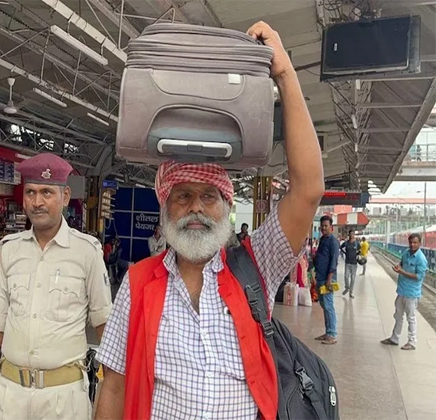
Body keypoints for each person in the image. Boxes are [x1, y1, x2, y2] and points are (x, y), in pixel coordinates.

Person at [94, 22, 324, 420]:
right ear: (165, 208)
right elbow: (114, 384)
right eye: (182, 196)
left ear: (226, 207)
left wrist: (284, 74)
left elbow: (307, 190)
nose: (196, 208)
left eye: (208, 196)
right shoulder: (137, 282)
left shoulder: (256, 268)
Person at [0, 153, 112, 420]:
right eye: (31, 192)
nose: (37, 202)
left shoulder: (86, 253)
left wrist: (108, 396)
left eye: (47, 192)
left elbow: (105, 327)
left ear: (66, 196)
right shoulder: (10, 252)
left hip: (64, 399)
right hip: (11, 395)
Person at [381, 233, 427, 350]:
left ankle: (412, 342)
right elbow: (401, 263)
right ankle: (394, 338)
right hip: (401, 290)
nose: (412, 245)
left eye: (415, 242)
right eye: (411, 242)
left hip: (411, 293)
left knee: (411, 318)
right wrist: (398, 267)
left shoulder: (421, 259)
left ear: (419, 243)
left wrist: (402, 272)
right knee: (398, 315)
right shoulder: (406, 253)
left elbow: (419, 277)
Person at [314, 215, 339, 345]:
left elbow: (333, 261)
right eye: (322, 226)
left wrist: (329, 279)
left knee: (328, 306)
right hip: (320, 277)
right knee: (324, 305)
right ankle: (328, 331)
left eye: (326, 226)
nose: (323, 228)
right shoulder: (323, 239)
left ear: (331, 227)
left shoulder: (333, 242)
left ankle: (332, 334)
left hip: (328, 279)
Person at [340, 230, 359, 298]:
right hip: (347, 262)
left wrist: (357, 254)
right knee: (346, 276)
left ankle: (351, 292)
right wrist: (345, 253)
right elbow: (341, 247)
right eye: (350, 234)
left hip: (354, 263)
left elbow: (360, 250)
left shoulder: (356, 243)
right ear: (349, 235)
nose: (351, 235)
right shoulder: (346, 243)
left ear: (354, 235)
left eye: (353, 234)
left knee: (353, 278)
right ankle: (347, 287)